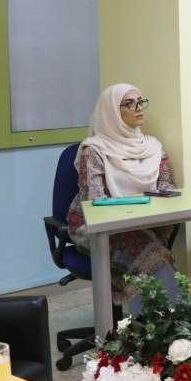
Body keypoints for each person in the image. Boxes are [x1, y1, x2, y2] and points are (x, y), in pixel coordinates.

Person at [67, 84, 181, 312]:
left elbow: (166, 188)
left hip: (144, 220)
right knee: (154, 258)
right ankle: (161, 324)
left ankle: (153, 323)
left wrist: (150, 209)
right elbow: (95, 201)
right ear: (110, 111)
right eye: (129, 104)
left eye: (140, 102)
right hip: (97, 225)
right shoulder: (94, 150)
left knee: (152, 254)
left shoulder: (153, 147)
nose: (138, 108)